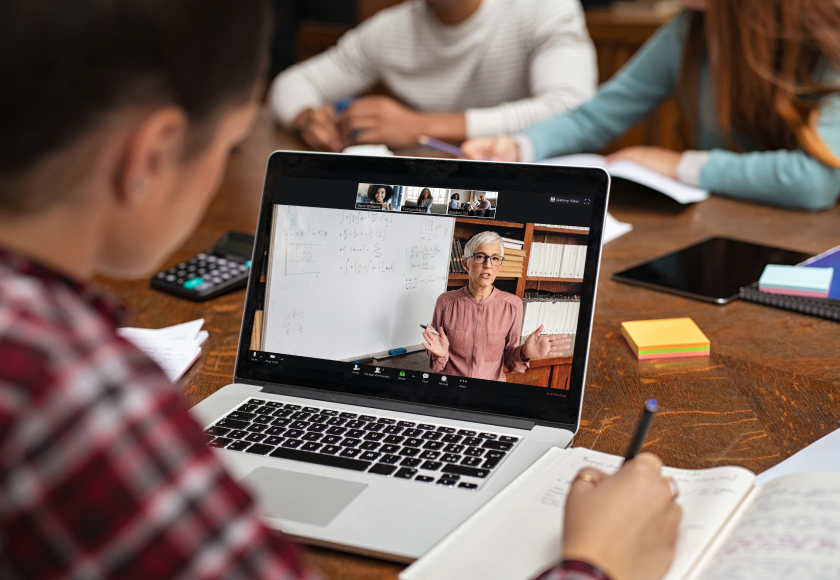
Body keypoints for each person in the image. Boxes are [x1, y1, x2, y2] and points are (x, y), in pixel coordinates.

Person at [0, 1, 682, 578]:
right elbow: (442, 363)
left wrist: (522, 356)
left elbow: (507, 368)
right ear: (149, 157)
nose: (484, 268)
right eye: (231, 144)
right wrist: (599, 562)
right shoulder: (73, 395)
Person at [462, 0, 840, 211]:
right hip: (717, 226)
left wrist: (681, 164)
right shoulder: (689, 31)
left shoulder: (826, 36)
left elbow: (815, 182)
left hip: (806, 252)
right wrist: (518, 146)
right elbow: (598, 116)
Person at [269, 0, 598, 152]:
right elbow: (292, 83)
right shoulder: (391, 28)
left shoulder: (544, 8)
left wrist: (420, 126)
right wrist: (307, 118)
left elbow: (572, 109)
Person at [423, 232, 571, 381]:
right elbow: (436, 366)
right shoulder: (445, 302)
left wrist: (525, 352)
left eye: (494, 259)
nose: (488, 265)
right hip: (452, 388)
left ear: (499, 265)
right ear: (465, 264)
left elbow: (510, 362)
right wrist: (440, 355)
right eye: (480, 257)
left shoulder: (513, 305)